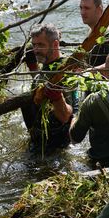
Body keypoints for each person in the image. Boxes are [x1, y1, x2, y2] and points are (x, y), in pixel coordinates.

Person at [22, 23, 78, 153]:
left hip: (55, 147)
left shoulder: (63, 72)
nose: (36, 50)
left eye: (41, 45)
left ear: (55, 45)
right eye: (34, 45)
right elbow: (41, 82)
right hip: (40, 137)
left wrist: (56, 96)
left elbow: (66, 116)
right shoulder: (49, 65)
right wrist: (33, 67)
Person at [79, 0, 109, 67]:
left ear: (99, 10)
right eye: (81, 8)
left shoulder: (108, 34)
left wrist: (89, 71)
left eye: (87, 8)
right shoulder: (93, 29)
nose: (82, 12)